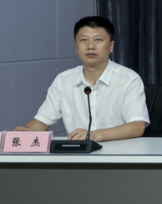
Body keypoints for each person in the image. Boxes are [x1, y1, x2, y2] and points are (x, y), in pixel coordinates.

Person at [15, 16, 149, 141]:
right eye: (84, 40)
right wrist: (27, 131)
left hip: (121, 155)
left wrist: (94, 135)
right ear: (76, 46)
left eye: (98, 40)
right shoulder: (63, 80)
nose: (90, 46)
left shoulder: (128, 79)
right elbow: (41, 122)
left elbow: (137, 127)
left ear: (111, 46)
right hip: (78, 155)